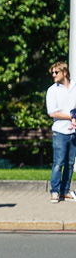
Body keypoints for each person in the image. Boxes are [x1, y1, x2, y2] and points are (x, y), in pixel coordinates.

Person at [45, 61, 76, 203]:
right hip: (60, 132)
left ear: (64, 72)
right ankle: (55, 191)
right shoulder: (52, 90)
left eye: (56, 72)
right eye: (52, 72)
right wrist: (71, 116)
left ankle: (65, 191)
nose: (53, 75)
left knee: (70, 163)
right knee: (59, 162)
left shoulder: (75, 86)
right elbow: (52, 113)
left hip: (73, 131)